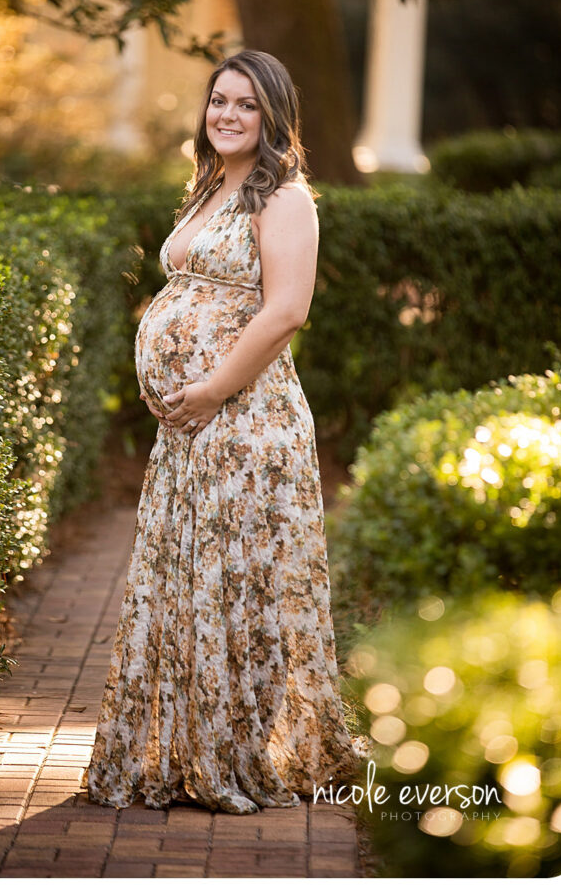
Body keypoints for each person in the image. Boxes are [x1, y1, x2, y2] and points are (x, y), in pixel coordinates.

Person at [86, 51, 358, 813]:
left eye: (246, 104)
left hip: (248, 425)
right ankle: (187, 748)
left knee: (237, 590)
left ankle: (237, 755)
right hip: (193, 431)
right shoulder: (210, 186)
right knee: (191, 589)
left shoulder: (288, 199)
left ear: (274, 115)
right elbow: (194, 288)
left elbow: (286, 311)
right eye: (218, 102)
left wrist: (206, 388)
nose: (228, 115)